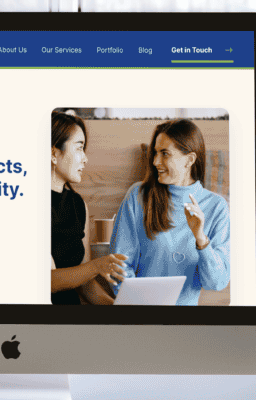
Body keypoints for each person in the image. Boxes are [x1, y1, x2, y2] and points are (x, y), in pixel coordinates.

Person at [110, 118, 230, 305]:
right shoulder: (138, 196)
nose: (155, 161)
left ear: (189, 160)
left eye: (165, 154)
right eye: (155, 153)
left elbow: (216, 283)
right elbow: (119, 267)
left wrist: (201, 239)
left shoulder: (217, 207)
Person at [50, 111, 127, 305]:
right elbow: (47, 281)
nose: (85, 159)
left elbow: (85, 284)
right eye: (79, 148)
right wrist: (96, 266)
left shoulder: (78, 205)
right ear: (53, 153)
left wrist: (115, 306)